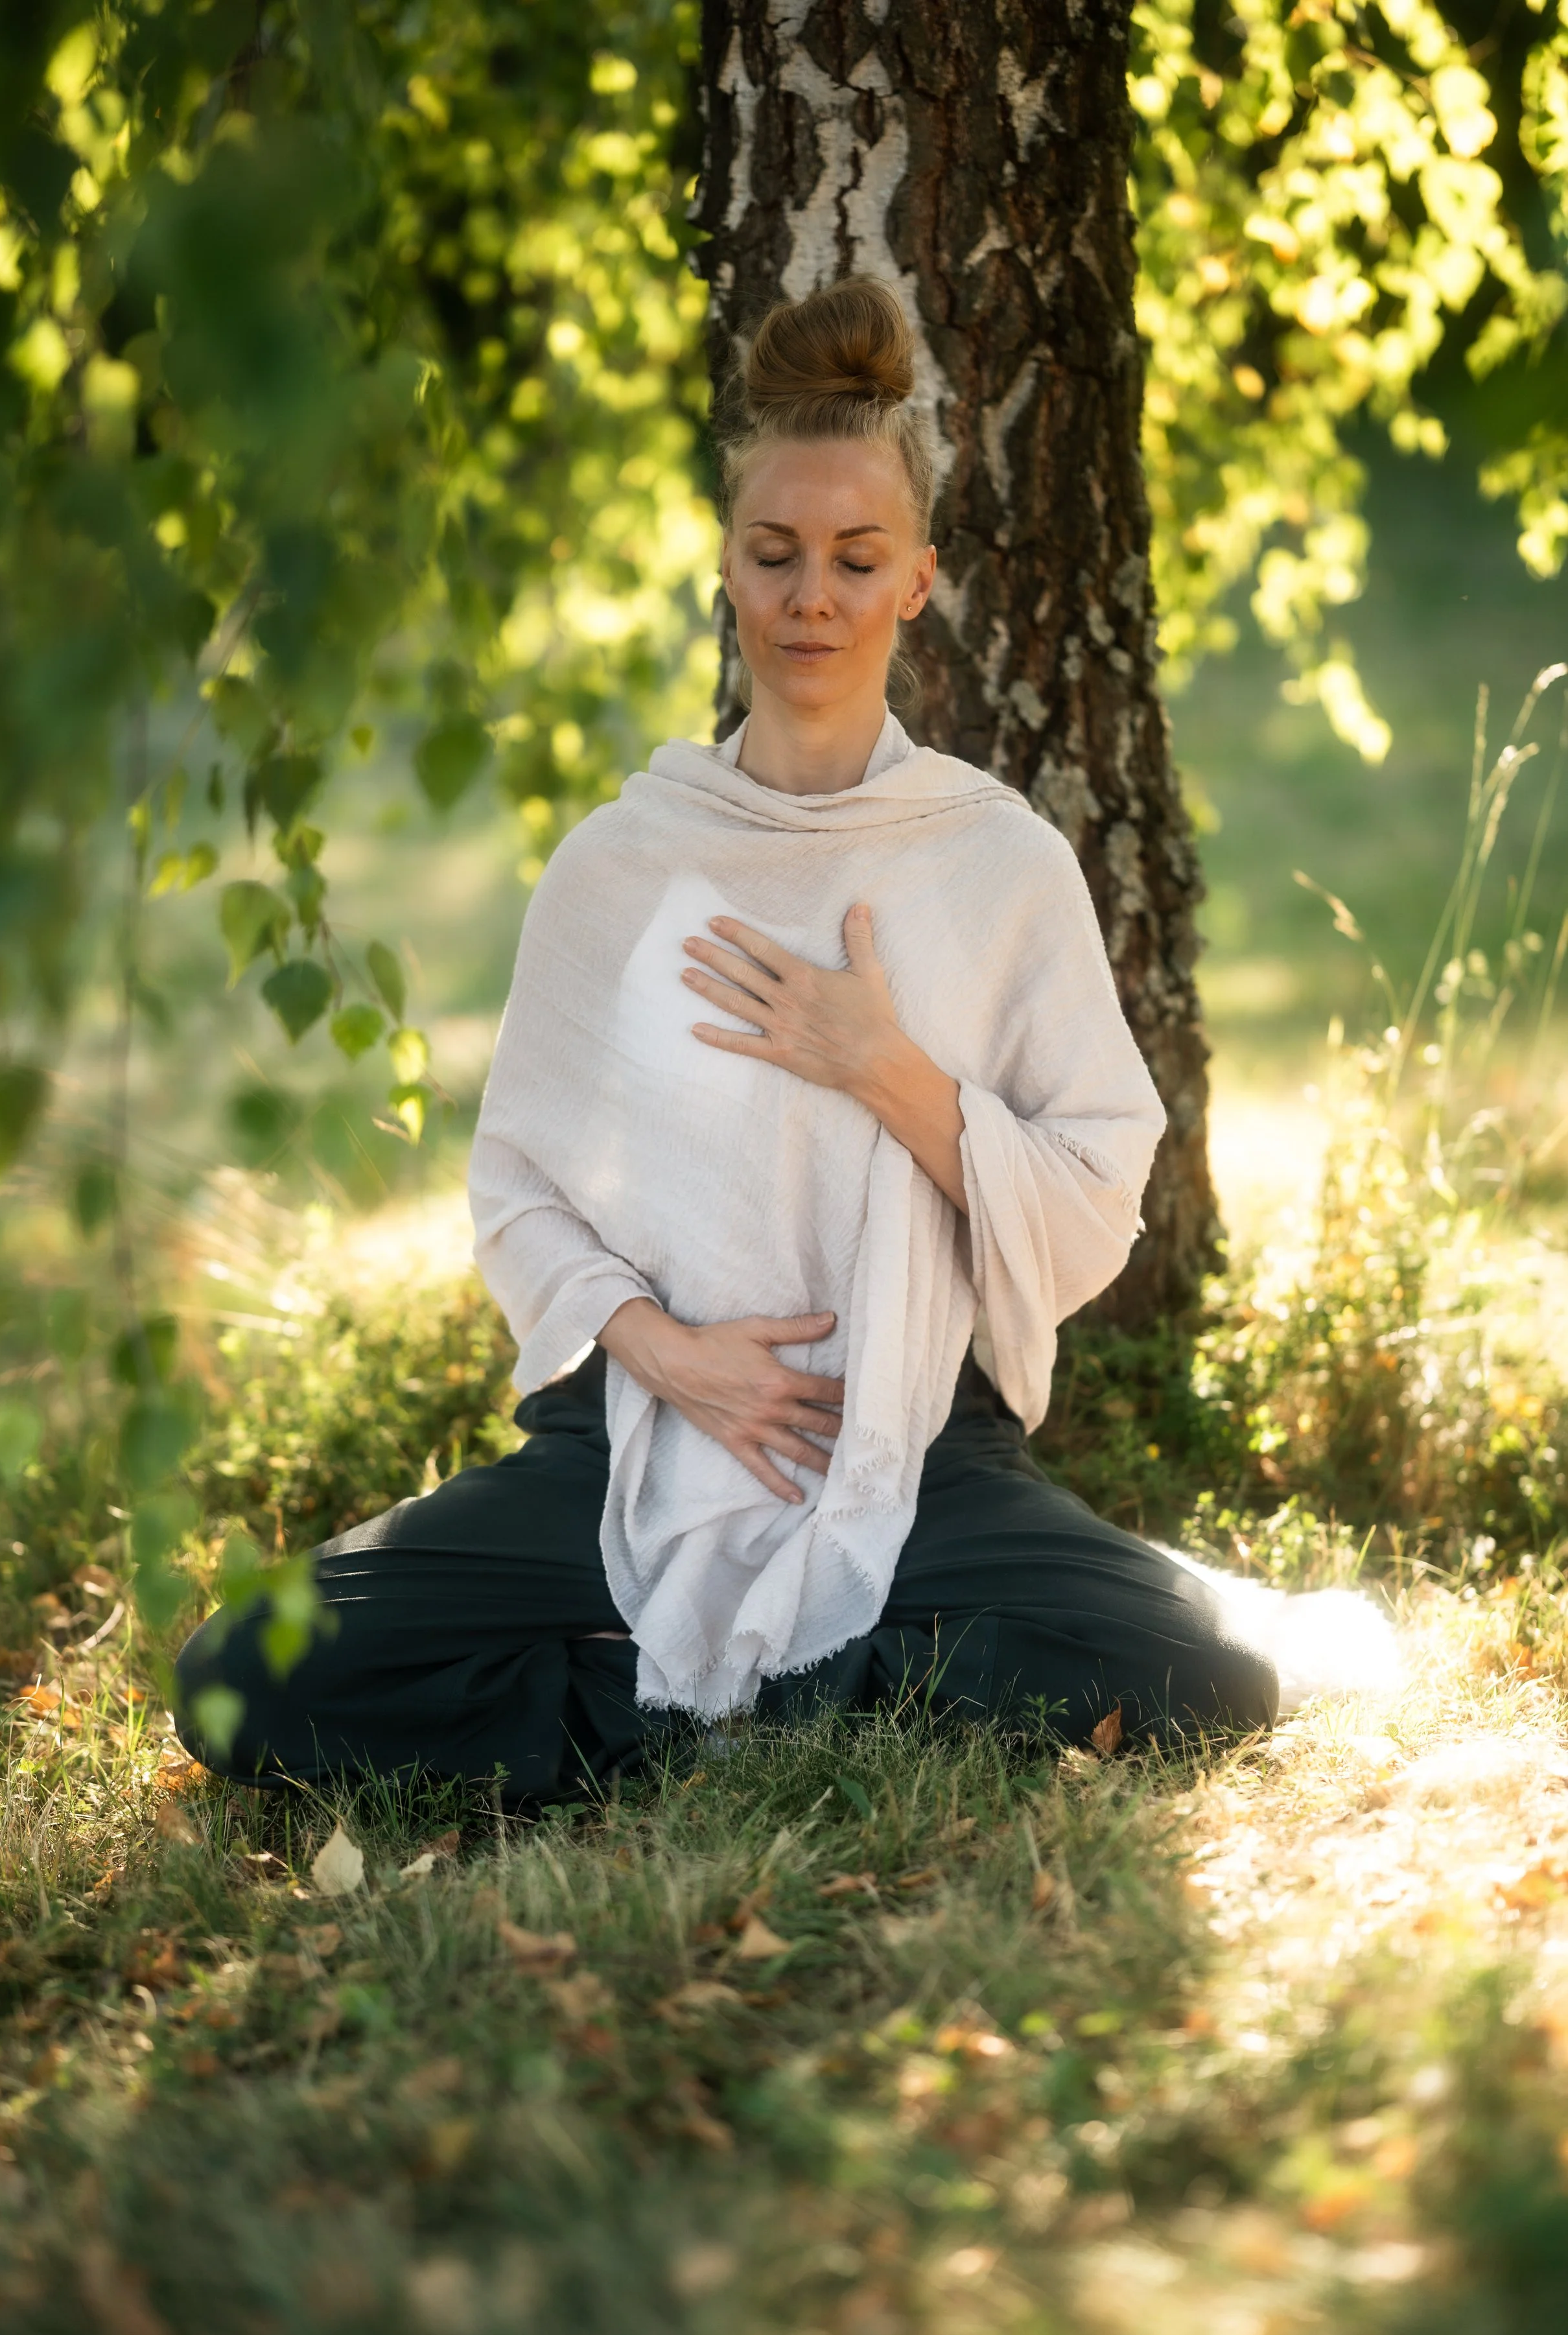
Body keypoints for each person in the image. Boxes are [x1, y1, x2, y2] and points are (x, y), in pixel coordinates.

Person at [175, 277, 1277, 1799]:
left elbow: (1095, 1188)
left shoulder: (995, 860)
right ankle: (789, 1703)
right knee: (241, 1679)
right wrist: (665, 1355)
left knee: (1204, 1671)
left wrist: (880, 1065)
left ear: (917, 582)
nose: (808, 597)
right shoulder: (620, 861)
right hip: (626, 1431)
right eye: (774, 556)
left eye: (853, 558)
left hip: (912, 1441)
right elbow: (518, 1189)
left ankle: (681, 1712)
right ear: (727, 571)